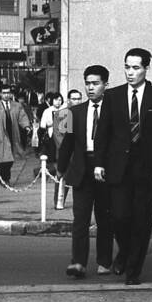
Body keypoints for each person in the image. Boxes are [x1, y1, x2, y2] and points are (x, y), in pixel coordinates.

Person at [93, 48, 152, 286]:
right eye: (127, 67)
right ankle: (125, 252)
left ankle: (133, 270)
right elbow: (102, 133)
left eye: (136, 67)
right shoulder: (113, 96)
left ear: (146, 68)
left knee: (142, 219)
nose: (130, 72)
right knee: (119, 216)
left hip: (146, 168)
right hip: (118, 167)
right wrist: (98, 163)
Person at [59, 66, 114, 280]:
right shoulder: (74, 112)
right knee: (80, 219)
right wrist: (61, 169)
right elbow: (67, 144)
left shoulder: (113, 111)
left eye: (96, 83)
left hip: (105, 172)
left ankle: (104, 261)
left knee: (105, 218)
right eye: (88, 83)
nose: (91, 87)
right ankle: (79, 262)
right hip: (81, 170)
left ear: (105, 85)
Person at [0, 85, 32, 186]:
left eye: (8, 93)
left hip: (13, 135)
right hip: (0, 136)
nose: (6, 95)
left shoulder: (16, 105)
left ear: (11, 94)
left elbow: (22, 116)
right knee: (4, 159)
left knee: (10, 159)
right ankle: (6, 179)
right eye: (4, 93)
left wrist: (26, 126)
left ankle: (1, 176)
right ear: (0, 94)